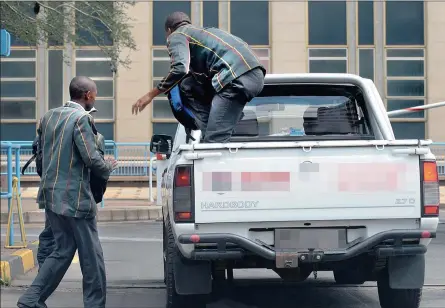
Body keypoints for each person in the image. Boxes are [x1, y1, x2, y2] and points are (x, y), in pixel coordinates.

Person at [17, 76, 117, 308]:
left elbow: (41, 156)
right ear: (88, 96)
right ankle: (95, 305)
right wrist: (108, 166)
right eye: (95, 94)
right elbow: (91, 159)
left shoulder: (48, 116)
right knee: (92, 258)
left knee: (62, 251)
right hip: (76, 199)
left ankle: (31, 299)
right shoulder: (82, 118)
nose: (95, 98)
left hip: (51, 197)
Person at [132, 11, 266, 143]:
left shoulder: (177, 35)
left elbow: (180, 69)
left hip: (235, 76)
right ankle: (217, 124)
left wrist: (150, 95)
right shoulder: (204, 33)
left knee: (214, 140)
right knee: (217, 128)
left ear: (168, 30)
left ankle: (211, 128)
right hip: (255, 74)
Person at [33, 108, 109, 272]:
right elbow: (96, 169)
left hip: (52, 193)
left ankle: (42, 275)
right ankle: (41, 284)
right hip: (78, 196)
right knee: (87, 248)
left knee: (51, 237)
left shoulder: (49, 124)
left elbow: (40, 160)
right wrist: (97, 194)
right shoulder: (95, 136)